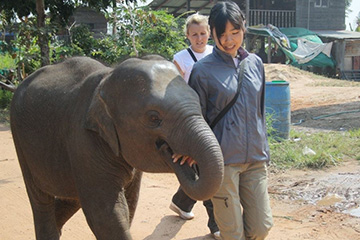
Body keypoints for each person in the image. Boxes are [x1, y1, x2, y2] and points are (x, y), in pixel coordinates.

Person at [186, 1, 274, 239]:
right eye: (222, 34)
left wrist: (264, 147)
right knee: (232, 232)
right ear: (212, 32)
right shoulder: (202, 70)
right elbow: (196, 118)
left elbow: (259, 109)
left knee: (261, 226)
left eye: (235, 32)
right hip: (222, 163)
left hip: (255, 158)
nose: (229, 40)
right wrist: (192, 151)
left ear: (244, 29)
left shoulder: (255, 63)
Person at [170, 13, 220, 240]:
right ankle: (215, 223)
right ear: (187, 36)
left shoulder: (216, 54)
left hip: (216, 117)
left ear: (209, 34)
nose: (199, 38)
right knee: (206, 165)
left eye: (203, 33)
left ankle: (181, 201)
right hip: (193, 119)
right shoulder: (180, 59)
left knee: (206, 164)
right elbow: (176, 92)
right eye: (194, 34)